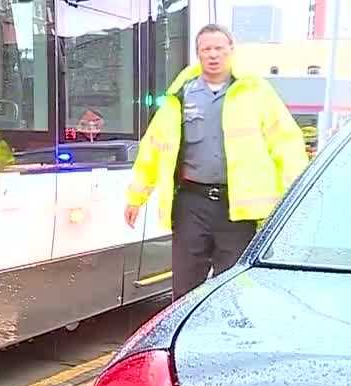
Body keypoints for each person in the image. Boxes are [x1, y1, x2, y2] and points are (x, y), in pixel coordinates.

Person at [124, 24, 308, 299]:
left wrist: (298, 199)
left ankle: (229, 340)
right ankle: (187, 341)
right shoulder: (179, 97)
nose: (213, 55)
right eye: (205, 49)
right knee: (185, 287)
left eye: (219, 48)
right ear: (198, 54)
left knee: (233, 287)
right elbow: (153, 149)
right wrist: (136, 197)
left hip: (238, 210)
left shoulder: (256, 93)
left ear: (231, 51)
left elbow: (287, 145)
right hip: (190, 205)